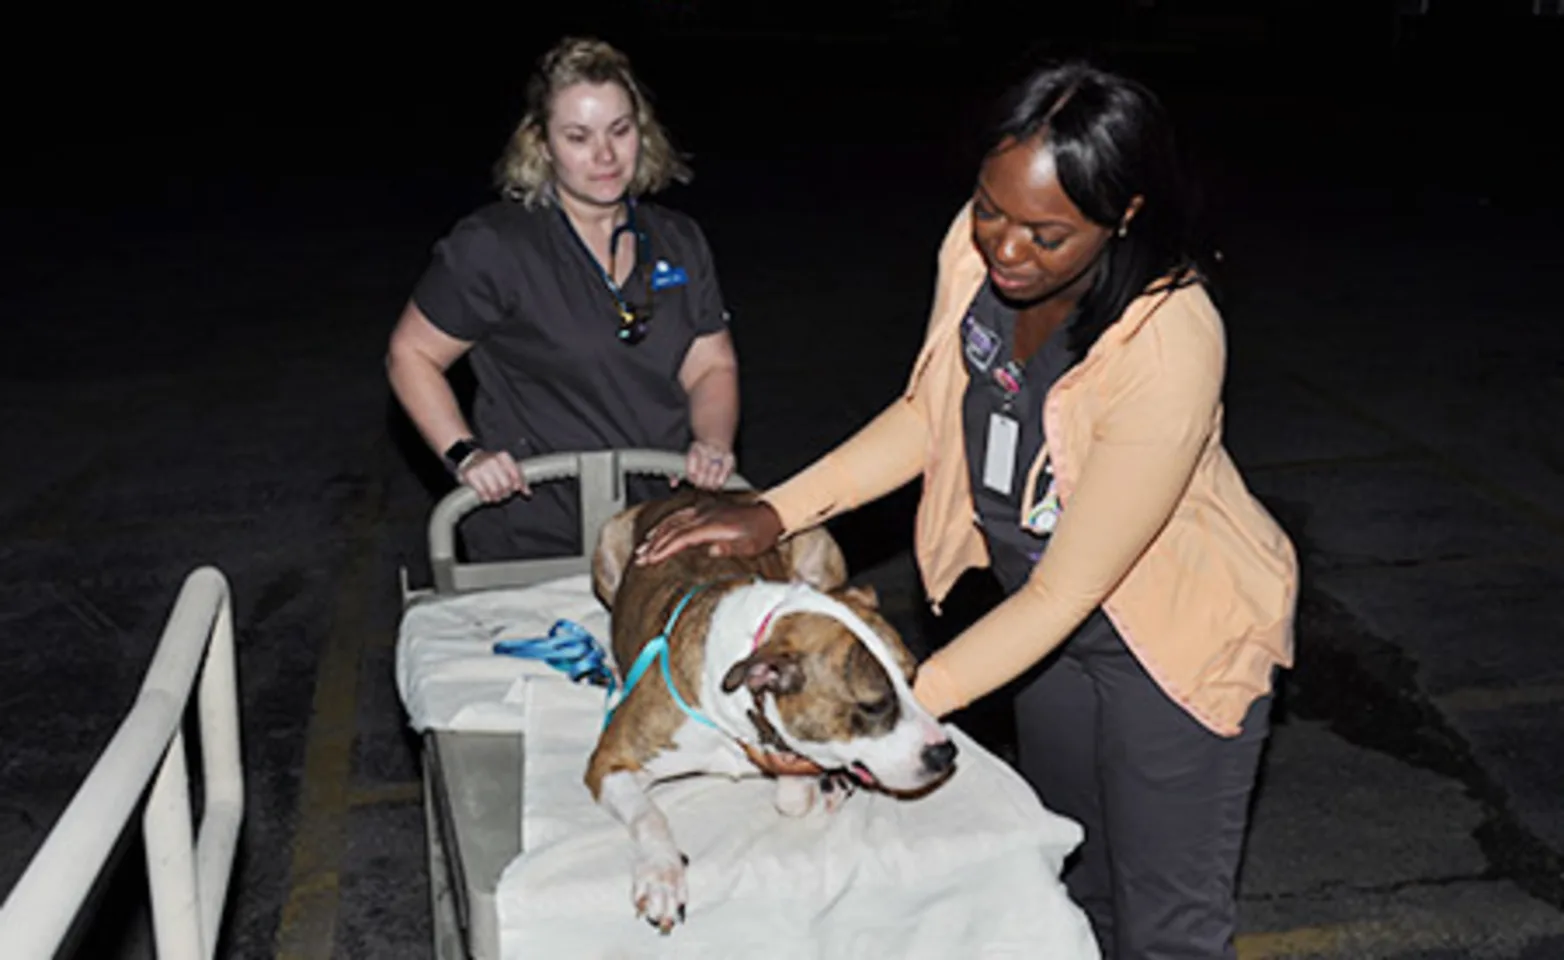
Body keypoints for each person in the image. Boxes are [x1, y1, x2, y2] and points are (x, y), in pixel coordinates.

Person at [635, 60, 1298, 960]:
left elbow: (1066, 592)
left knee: (1166, 931)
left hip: (1172, 647)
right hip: (1051, 642)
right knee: (1073, 878)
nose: (1006, 249)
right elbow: (930, 413)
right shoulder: (980, 250)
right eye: (990, 208)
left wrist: (896, 712)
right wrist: (773, 514)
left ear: (1125, 215)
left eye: (1047, 234)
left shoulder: (1169, 340)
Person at [386, 36, 740, 561]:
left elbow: (711, 364)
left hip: (661, 525)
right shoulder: (495, 246)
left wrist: (712, 441)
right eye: (578, 136)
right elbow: (410, 355)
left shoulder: (678, 241)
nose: (605, 155)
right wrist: (466, 454)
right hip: (535, 532)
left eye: (620, 131)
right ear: (542, 144)